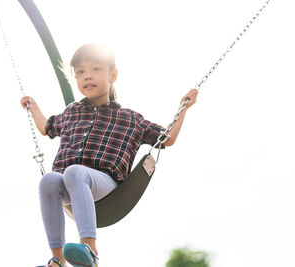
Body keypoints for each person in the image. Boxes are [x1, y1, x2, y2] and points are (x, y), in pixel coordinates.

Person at [20, 44, 198, 267]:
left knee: (75, 172)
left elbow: (167, 138)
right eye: (80, 72)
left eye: (95, 69)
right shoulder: (72, 112)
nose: (87, 76)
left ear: (112, 75)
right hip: (70, 184)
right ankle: (57, 259)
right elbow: (47, 127)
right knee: (49, 179)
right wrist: (33, 107)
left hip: (106, 185)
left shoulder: (130, 119)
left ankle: (89, 249)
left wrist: (183, 108)